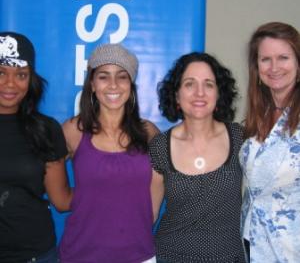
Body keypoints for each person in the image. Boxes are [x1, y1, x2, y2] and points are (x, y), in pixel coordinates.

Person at [59, 43, 159, 263]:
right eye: (103, 76)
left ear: (131, 84)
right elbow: (54, 191)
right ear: (92, 84)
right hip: (81, 255)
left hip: (139, 255)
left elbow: (159, 185)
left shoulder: (148, 132)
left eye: (122, 76)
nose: (113, 85)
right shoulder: (73, 131)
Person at [150, 52, 246, 263]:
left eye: (209, 84)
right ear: (176, 95)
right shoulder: (160, 146)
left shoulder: (240, 138)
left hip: (230, 258)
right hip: (170, 257)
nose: (199, 93)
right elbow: (150, 214)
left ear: (219, 94)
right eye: (190, 84)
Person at [0, 32, 72, 263]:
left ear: (30, 80)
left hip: (35, 255)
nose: (10, 83)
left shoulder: (46, 129)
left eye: (21, 75)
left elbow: (61, 201)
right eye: (1, 73)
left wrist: (112, 187)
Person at [239, 21, 300, 262]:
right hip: (251, 242)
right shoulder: (258, 116)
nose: (274, 67)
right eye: (265, 59)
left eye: (283, 57)